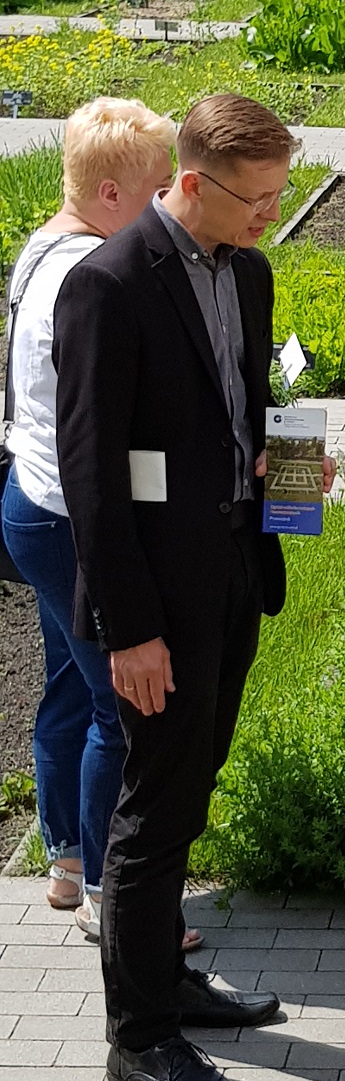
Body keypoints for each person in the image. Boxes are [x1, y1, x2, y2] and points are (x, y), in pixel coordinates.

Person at [53, 93, 332, 1081]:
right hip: (154, 607)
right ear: (192, 183)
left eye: (280, 193)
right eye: (257, 198)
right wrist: (129, 631)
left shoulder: (247, 273)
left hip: (231, 575)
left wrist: (280, 467)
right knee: (153, 805)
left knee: (191, 782)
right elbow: (91, 476)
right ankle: (139, 1038)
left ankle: (167, 980)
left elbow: (234, 411)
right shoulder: (108, 286)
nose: (271, 213)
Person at [2, 98, 197, 944]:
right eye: (158, 189)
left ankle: (66, 861)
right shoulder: (93, 276)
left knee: (69, 688)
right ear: (112, 193)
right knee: (122, 709)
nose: (167, 204)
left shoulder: (42, 248)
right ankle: (110, 896)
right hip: (70, 518)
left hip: (30, 502)